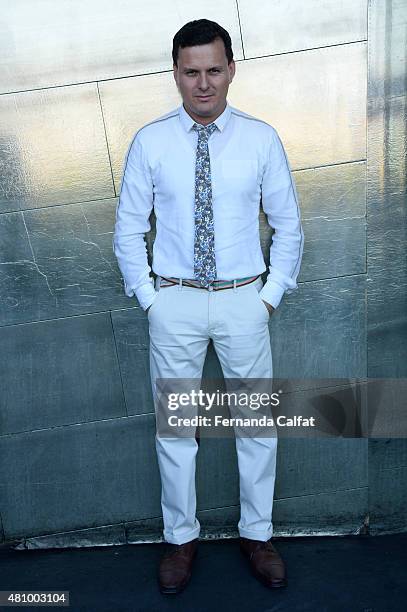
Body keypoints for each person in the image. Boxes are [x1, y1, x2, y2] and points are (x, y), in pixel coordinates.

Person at [113, 18, 304, 594]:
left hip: (245, 301)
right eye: (191, 72)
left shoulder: (261, 138)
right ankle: (180, 539)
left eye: (213, 70)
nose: (203, 84)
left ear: (231, 70)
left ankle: (257, 534)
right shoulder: (150, 141)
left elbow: (289, 227)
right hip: (174, 304)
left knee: (256, 426)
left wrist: (267, 298)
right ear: (175, 72)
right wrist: (151, 300)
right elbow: (128, 230)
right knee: (176, 430)